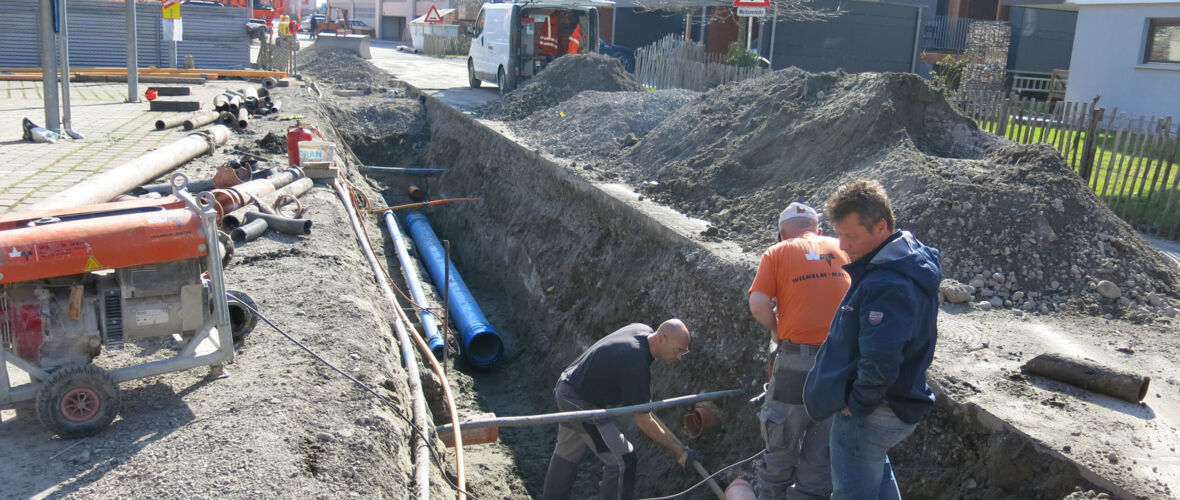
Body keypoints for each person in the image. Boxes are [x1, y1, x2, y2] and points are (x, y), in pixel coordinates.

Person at [802, 180, 941, 499]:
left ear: (881, 227)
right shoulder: (906, 260)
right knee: (877, 482)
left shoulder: (887, 283)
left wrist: (858, 403)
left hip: (871, 413)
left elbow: (881, 358)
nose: (843, 246)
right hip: (892, 407)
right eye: (839, 234)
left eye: (851, 236)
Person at [747, 202, 851, 499]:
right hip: (837, 366)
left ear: (782, 234)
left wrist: (778, 332)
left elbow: (758, 305)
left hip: (795, 363)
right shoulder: (841, 246)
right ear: (818, 230)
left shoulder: (777, 252)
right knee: (821, 457)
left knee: (781, 447)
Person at [541, 319, 700, 500]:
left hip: (571, 388)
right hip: (578, 400)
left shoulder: (642, 331)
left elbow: (644, 411)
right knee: (622, 460)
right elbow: (643, 420)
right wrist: (680, 453)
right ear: (662, 339)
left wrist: (681, 448)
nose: (680, 357)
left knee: (567, 451)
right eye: (678, 350)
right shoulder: (636, 363)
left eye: (683, 352)